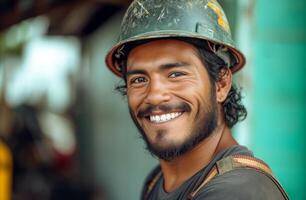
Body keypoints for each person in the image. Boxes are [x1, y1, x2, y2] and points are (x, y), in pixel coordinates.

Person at [105, 0, 289, 199]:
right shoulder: (156, 182)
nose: (155, 95)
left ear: (221, 84)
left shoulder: (238, 191)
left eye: (176, 74)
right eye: (139, 80)